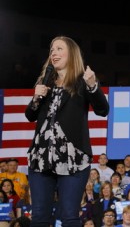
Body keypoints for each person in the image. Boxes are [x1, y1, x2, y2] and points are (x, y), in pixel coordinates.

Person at [24, 35, 109, 227]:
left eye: (59, 48)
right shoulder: (45, 82)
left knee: (69, 215)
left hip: (73, 159)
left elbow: (103, 110)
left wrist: (93, 86)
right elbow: (30, 115)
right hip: (41, 157)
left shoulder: (82, 82)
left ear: (71, 53)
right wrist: (36, 98)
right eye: (52, 49)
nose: (54, 53)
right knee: (38, 216)